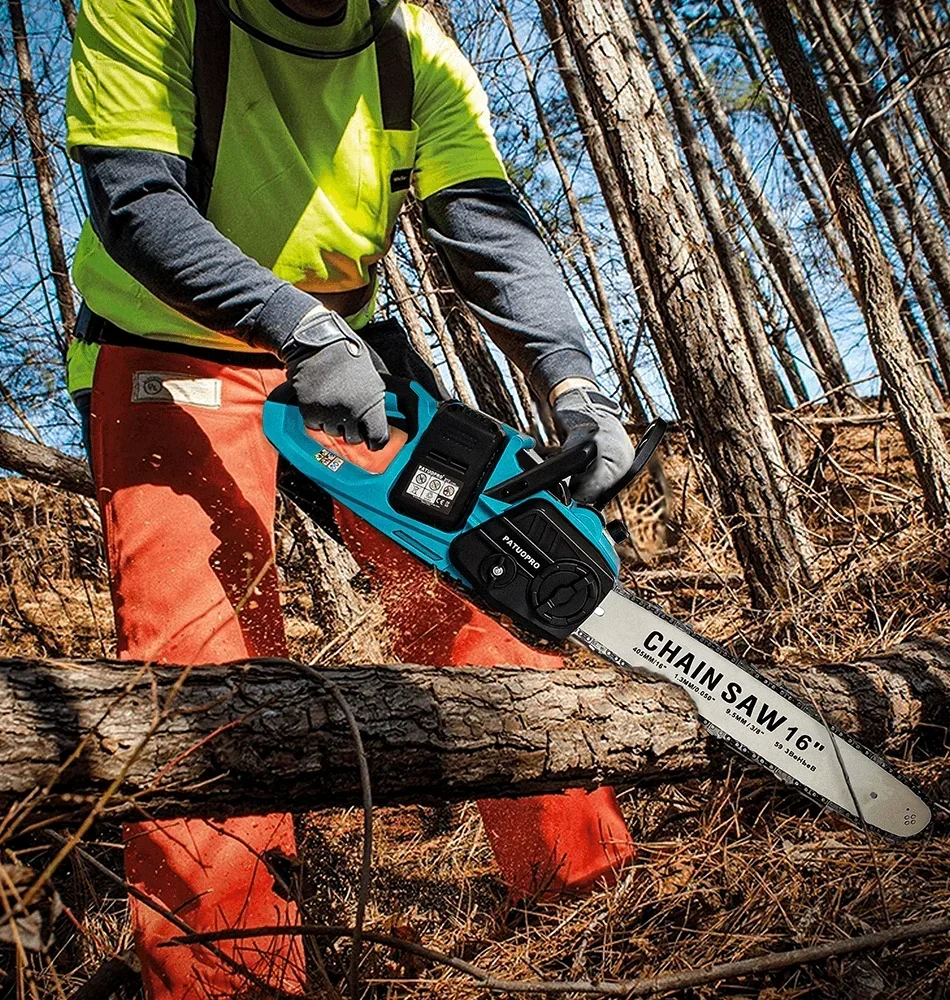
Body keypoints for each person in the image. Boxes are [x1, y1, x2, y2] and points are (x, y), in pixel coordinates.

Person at [64, 0, 637, 995]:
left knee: (482, 578)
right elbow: (133, 197)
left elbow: (486, 221)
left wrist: (572, 383)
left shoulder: (413, 45)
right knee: (205, 661)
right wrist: (294, 325)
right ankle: (232, 976)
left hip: (345, 338)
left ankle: (587, 899)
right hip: (165, 340)